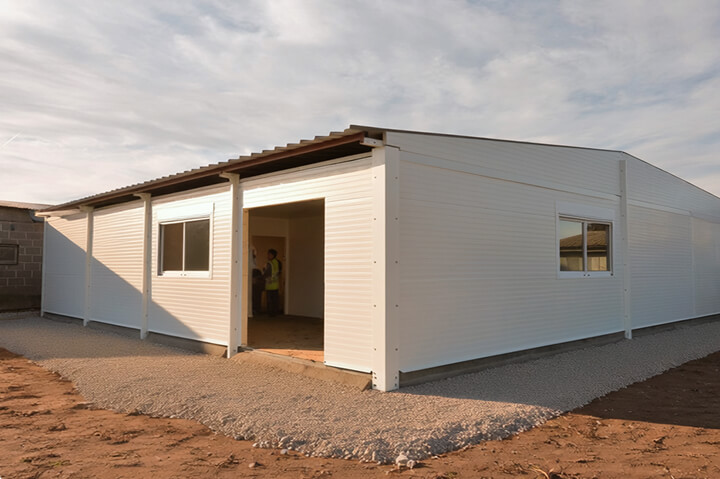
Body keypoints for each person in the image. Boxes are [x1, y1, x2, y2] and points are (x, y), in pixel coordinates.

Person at [263, 248, 281, 316]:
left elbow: (268, 273)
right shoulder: (274, 262)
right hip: (273, 284)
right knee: (273, 300)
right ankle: (273, 313)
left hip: (271, 284)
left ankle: (271, 313)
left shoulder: (271, 263)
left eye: (269, 254)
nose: (267, 255)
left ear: (272, 255)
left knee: (271, 300)